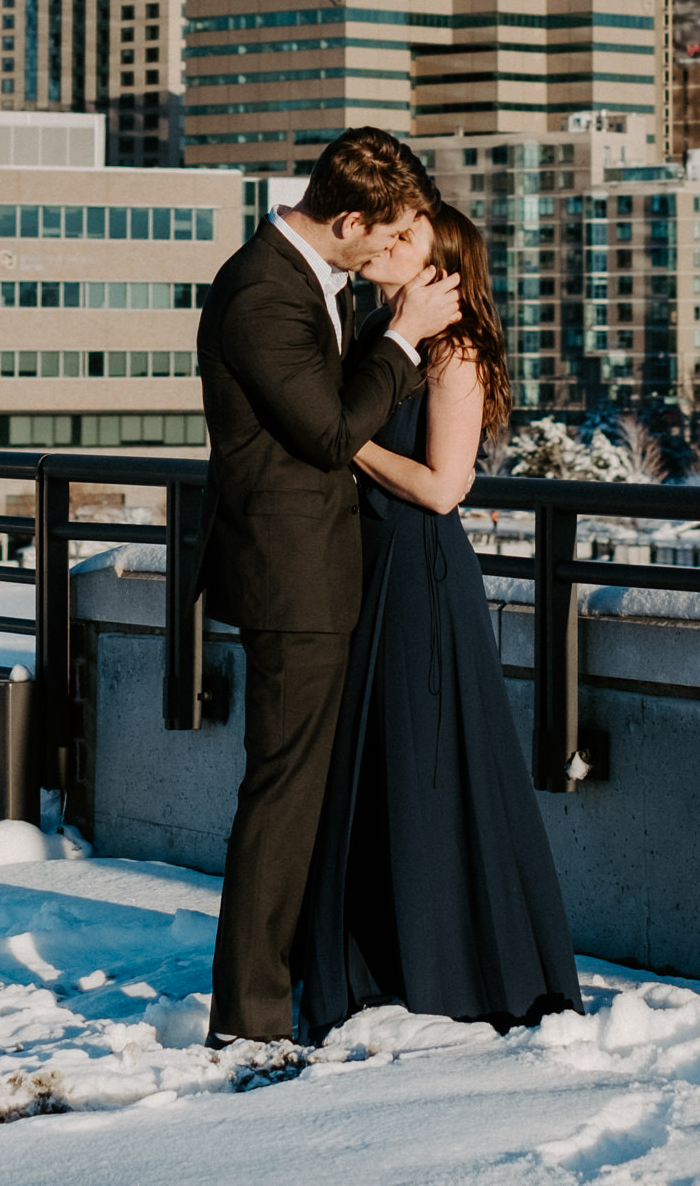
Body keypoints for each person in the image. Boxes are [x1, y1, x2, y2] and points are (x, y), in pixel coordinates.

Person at [195, 127, 462, 1048]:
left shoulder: (311, 280)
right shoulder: (263, 292)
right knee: (283, 796)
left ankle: (293, 988)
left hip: (319, 571)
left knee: (305, 793)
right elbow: (328, 432)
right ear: (347, 218)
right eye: (383, 237)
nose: (389, 253)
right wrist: (404, 336)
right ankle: (250, 1019)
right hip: (290, 579)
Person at [299, 200, 581, 1040]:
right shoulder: (370, 328)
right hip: (364, 570)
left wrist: (340, 438)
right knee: (372, 772)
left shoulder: (452, 351)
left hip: (418, 578)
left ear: (443, 266)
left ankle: (456, 969)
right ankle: (374, 964)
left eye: (407, 235)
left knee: (428, 771)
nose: (387, 241)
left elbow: (443, 487)